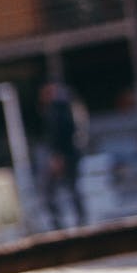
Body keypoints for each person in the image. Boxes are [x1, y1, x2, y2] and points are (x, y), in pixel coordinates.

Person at [36, 82, 87, 229]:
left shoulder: (57, 111)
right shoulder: (64, 107)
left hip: (63, 155)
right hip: (68, 154)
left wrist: (58, 156)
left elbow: (59, 135)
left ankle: (61, 222)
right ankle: (78, 219)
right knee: (70, 188)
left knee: (51, 191)